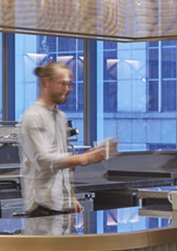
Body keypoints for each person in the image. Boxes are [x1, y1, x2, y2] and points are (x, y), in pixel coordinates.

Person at [16, 61, 112, 216]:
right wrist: (86, 158)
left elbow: (62, 168)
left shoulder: (60, 116)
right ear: (45, 82)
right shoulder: (32, 116)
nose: (67, 89)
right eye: (62, 84)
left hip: (60, 204)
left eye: (69, 84)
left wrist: (71, 197)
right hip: (40, 206)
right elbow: (43, 160)